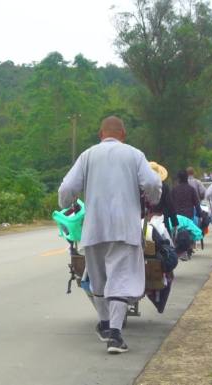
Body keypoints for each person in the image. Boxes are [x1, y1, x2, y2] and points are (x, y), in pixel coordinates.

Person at [58, 116, 162, 354]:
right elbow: (152, 184)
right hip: (124, 228)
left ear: (100, 134)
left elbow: (66, 189)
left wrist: (67, 203)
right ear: (123, 135)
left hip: (94, 228)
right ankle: (114, 335)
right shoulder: (134, 155)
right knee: (121, 278)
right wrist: (153, 200)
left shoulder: (87, 155)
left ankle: (105, 324)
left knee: (99, 279)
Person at [149, 162, 179, 234]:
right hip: (162, 221)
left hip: (145, 221)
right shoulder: (164, 187)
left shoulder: (141, 186)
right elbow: (170, 204)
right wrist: (174, 222)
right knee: (166, 242)